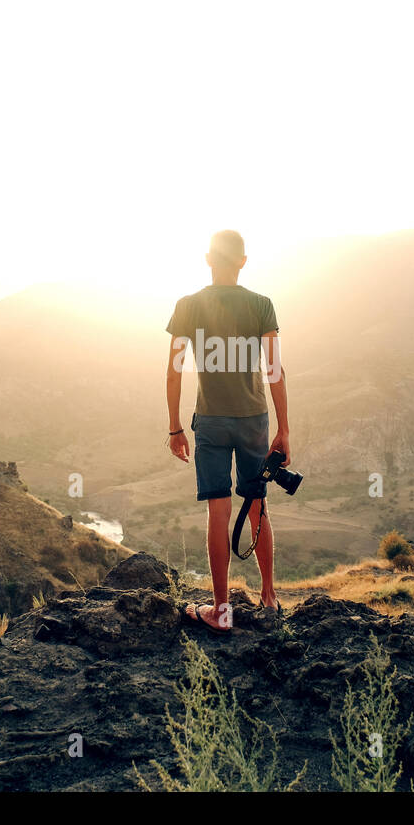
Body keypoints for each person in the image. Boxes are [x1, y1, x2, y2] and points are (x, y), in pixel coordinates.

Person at [165, 230, 290, 634]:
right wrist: (284, 429)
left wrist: (174, 427)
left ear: (207, 259)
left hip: (211, 422)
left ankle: (221, 610)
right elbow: (273, 370)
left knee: (217, 511)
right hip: (254, 420)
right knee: (257, 506)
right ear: (243, 261)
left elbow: (174, 370)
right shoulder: (260, 305)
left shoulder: (188, 306)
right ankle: (269, 597)